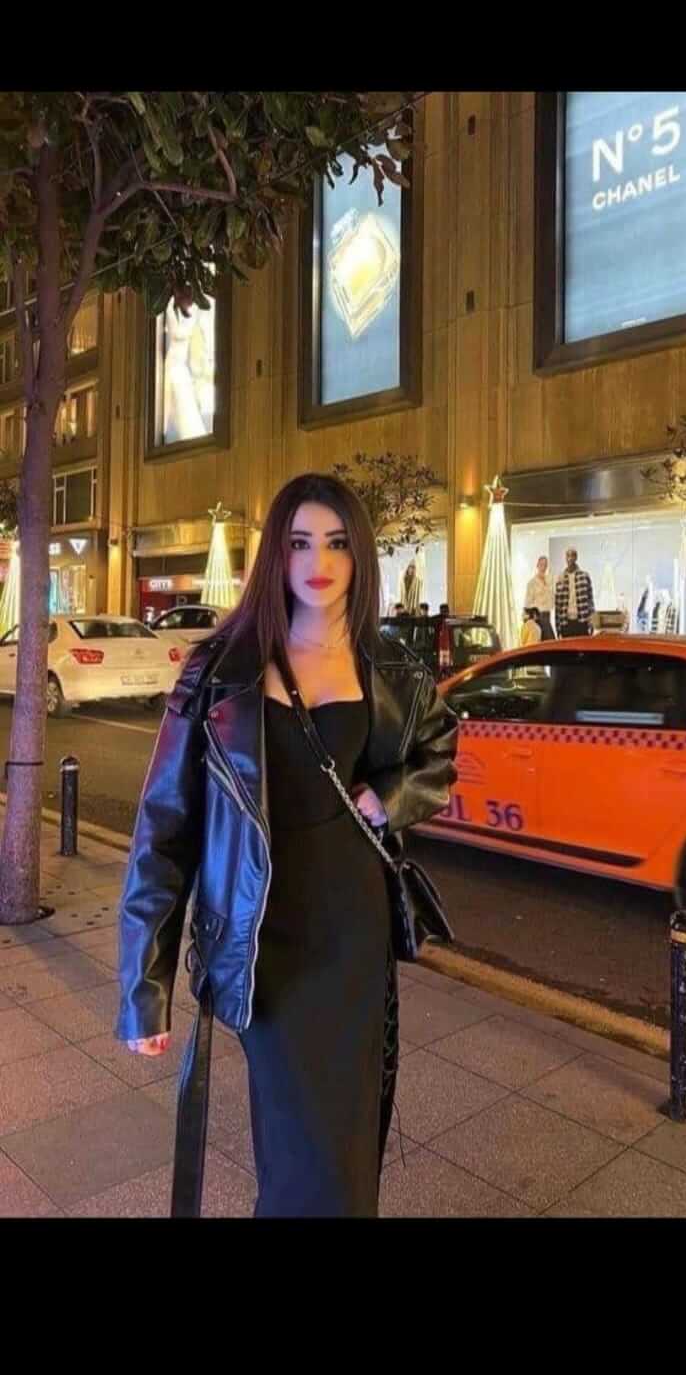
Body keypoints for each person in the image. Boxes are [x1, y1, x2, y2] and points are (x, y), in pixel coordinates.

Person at [116, 472, 459, 1218]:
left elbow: (440, 752)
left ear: (358, 554)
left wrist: (392, 795)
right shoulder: (220, 671)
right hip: (265, 944)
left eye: (336, 542)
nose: (319, 561)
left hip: (355, 941)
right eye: (300, 542)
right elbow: (164, 828)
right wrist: (145, 985)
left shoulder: (388, 666)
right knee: (301, 1155)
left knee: (348, 1153)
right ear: (276, 553)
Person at [555, 548, 595, 638]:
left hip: (582, 620)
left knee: (582, 646)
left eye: (572, 555)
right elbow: (558, 604)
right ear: (565, 558)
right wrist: (558, 627)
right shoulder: (560, 578)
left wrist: (592, 621)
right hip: (566, 622)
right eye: (568, 556)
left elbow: (590, 600)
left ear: (576, 557)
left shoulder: (584, 576)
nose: (570, 558)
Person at [524, 555, 554, 640]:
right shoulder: (532, 583)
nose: (543, 567)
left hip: (547, 615)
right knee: (549, 641)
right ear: (537, 565)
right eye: (541, 564)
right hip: (538, 616)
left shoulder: (549, 581)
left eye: (545, 565)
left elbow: (551, 599)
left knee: (548, 641)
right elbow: (527, 603)